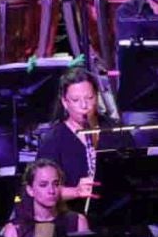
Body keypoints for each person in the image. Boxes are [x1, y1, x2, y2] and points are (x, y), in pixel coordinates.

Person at [34, 66, 116, 199]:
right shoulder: (54, 140)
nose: (84, 106)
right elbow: (40, 191)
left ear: (97, 96)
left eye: (89, 98)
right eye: (76, 100)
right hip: (72, 213)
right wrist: (75, 191)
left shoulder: (114, 129)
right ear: (65, 103)